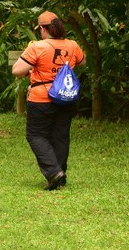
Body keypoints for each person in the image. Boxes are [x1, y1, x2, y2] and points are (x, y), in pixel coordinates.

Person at [11, 11, 86, 190]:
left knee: (35, 135)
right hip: (66, 96)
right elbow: (82, 62)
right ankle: (60, 173)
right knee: (61, 135)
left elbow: (17, 70)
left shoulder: (38, 47)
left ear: (44, 29)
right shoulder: (72, 45)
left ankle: (54, 173)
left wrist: (34, 69)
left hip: (42, 97)